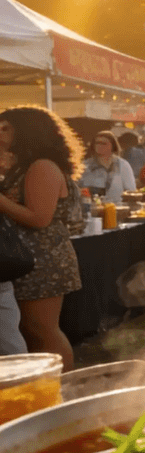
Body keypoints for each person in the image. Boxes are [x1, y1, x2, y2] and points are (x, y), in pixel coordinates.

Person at [0, 106, 85, 369]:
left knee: (43, 331)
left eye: (6, 128)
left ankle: (65, 391)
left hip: (43, 260)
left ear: (27, 131)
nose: (0, 133)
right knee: (31, 330)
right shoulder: (26, 165)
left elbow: (39, 218)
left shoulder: (42, 166)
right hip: (29, 258)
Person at [79, 131, 136, 203]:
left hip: (117, 209)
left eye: (103, 143)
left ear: (113, 146)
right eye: (97, 143)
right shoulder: (85, 165)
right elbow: (77, 188)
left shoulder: (123, 165)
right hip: (92, 209)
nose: (99, 145)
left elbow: (131, 191)